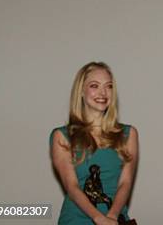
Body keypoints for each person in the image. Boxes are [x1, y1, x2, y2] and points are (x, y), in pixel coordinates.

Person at [50, 62, 139, 224]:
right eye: (94, 86)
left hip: (117, 219)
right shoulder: (61, 136)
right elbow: (72, 186)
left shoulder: (128, 134)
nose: (103, 92)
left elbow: (125, 183)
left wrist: (111, 216)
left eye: (109, 86)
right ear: (81, 92)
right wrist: (99, 218)